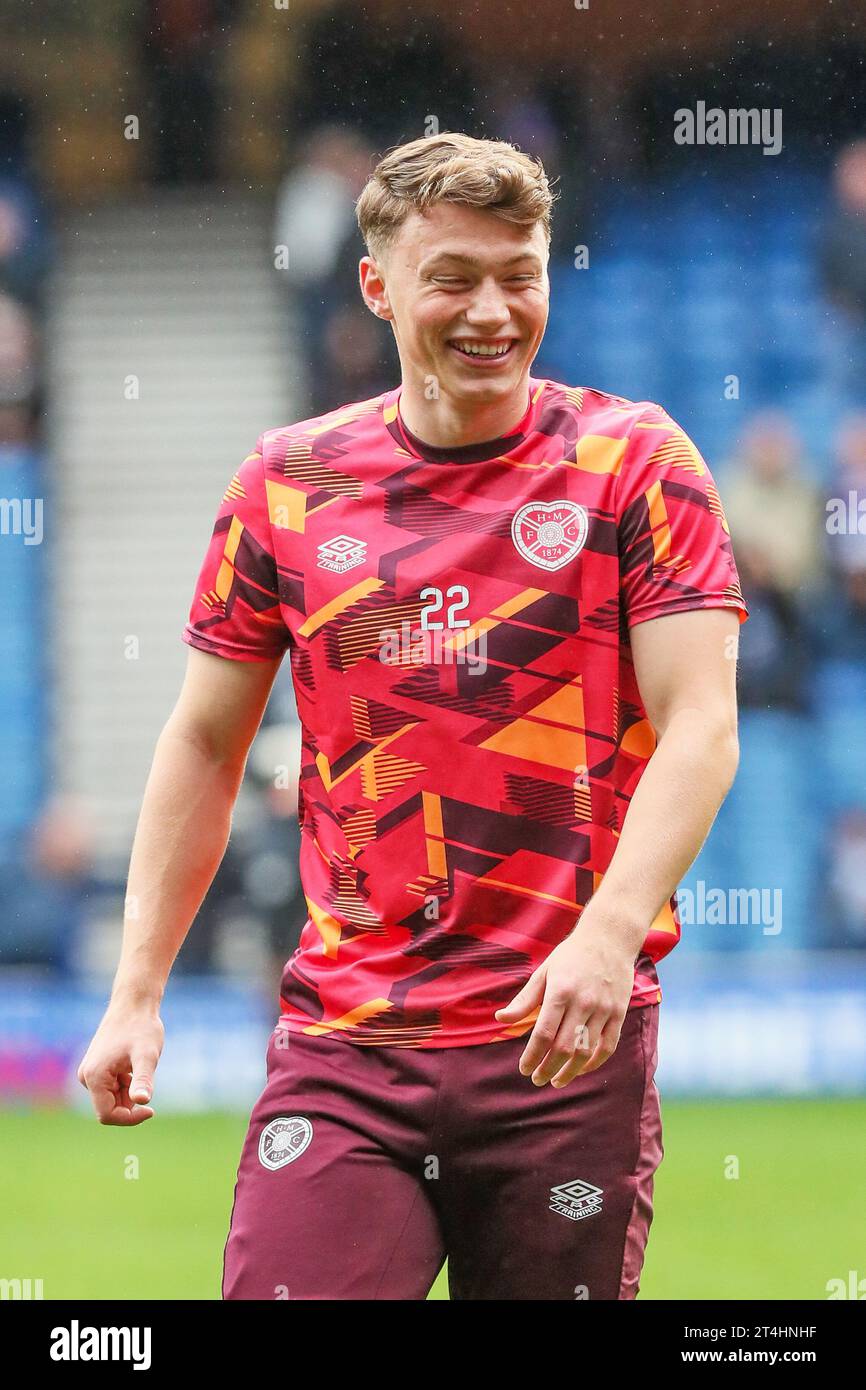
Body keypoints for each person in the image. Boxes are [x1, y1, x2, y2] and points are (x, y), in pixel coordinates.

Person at [78, 133, 747, 1301]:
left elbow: (700, 725)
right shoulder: (285, 486)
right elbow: (201, 740)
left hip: (562, 1045)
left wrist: (605, 933)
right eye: (453, 278)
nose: (492, 311)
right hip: (350, 1043)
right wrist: (137, 989)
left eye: (518, 274)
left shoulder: (634, 465)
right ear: (379, 286)